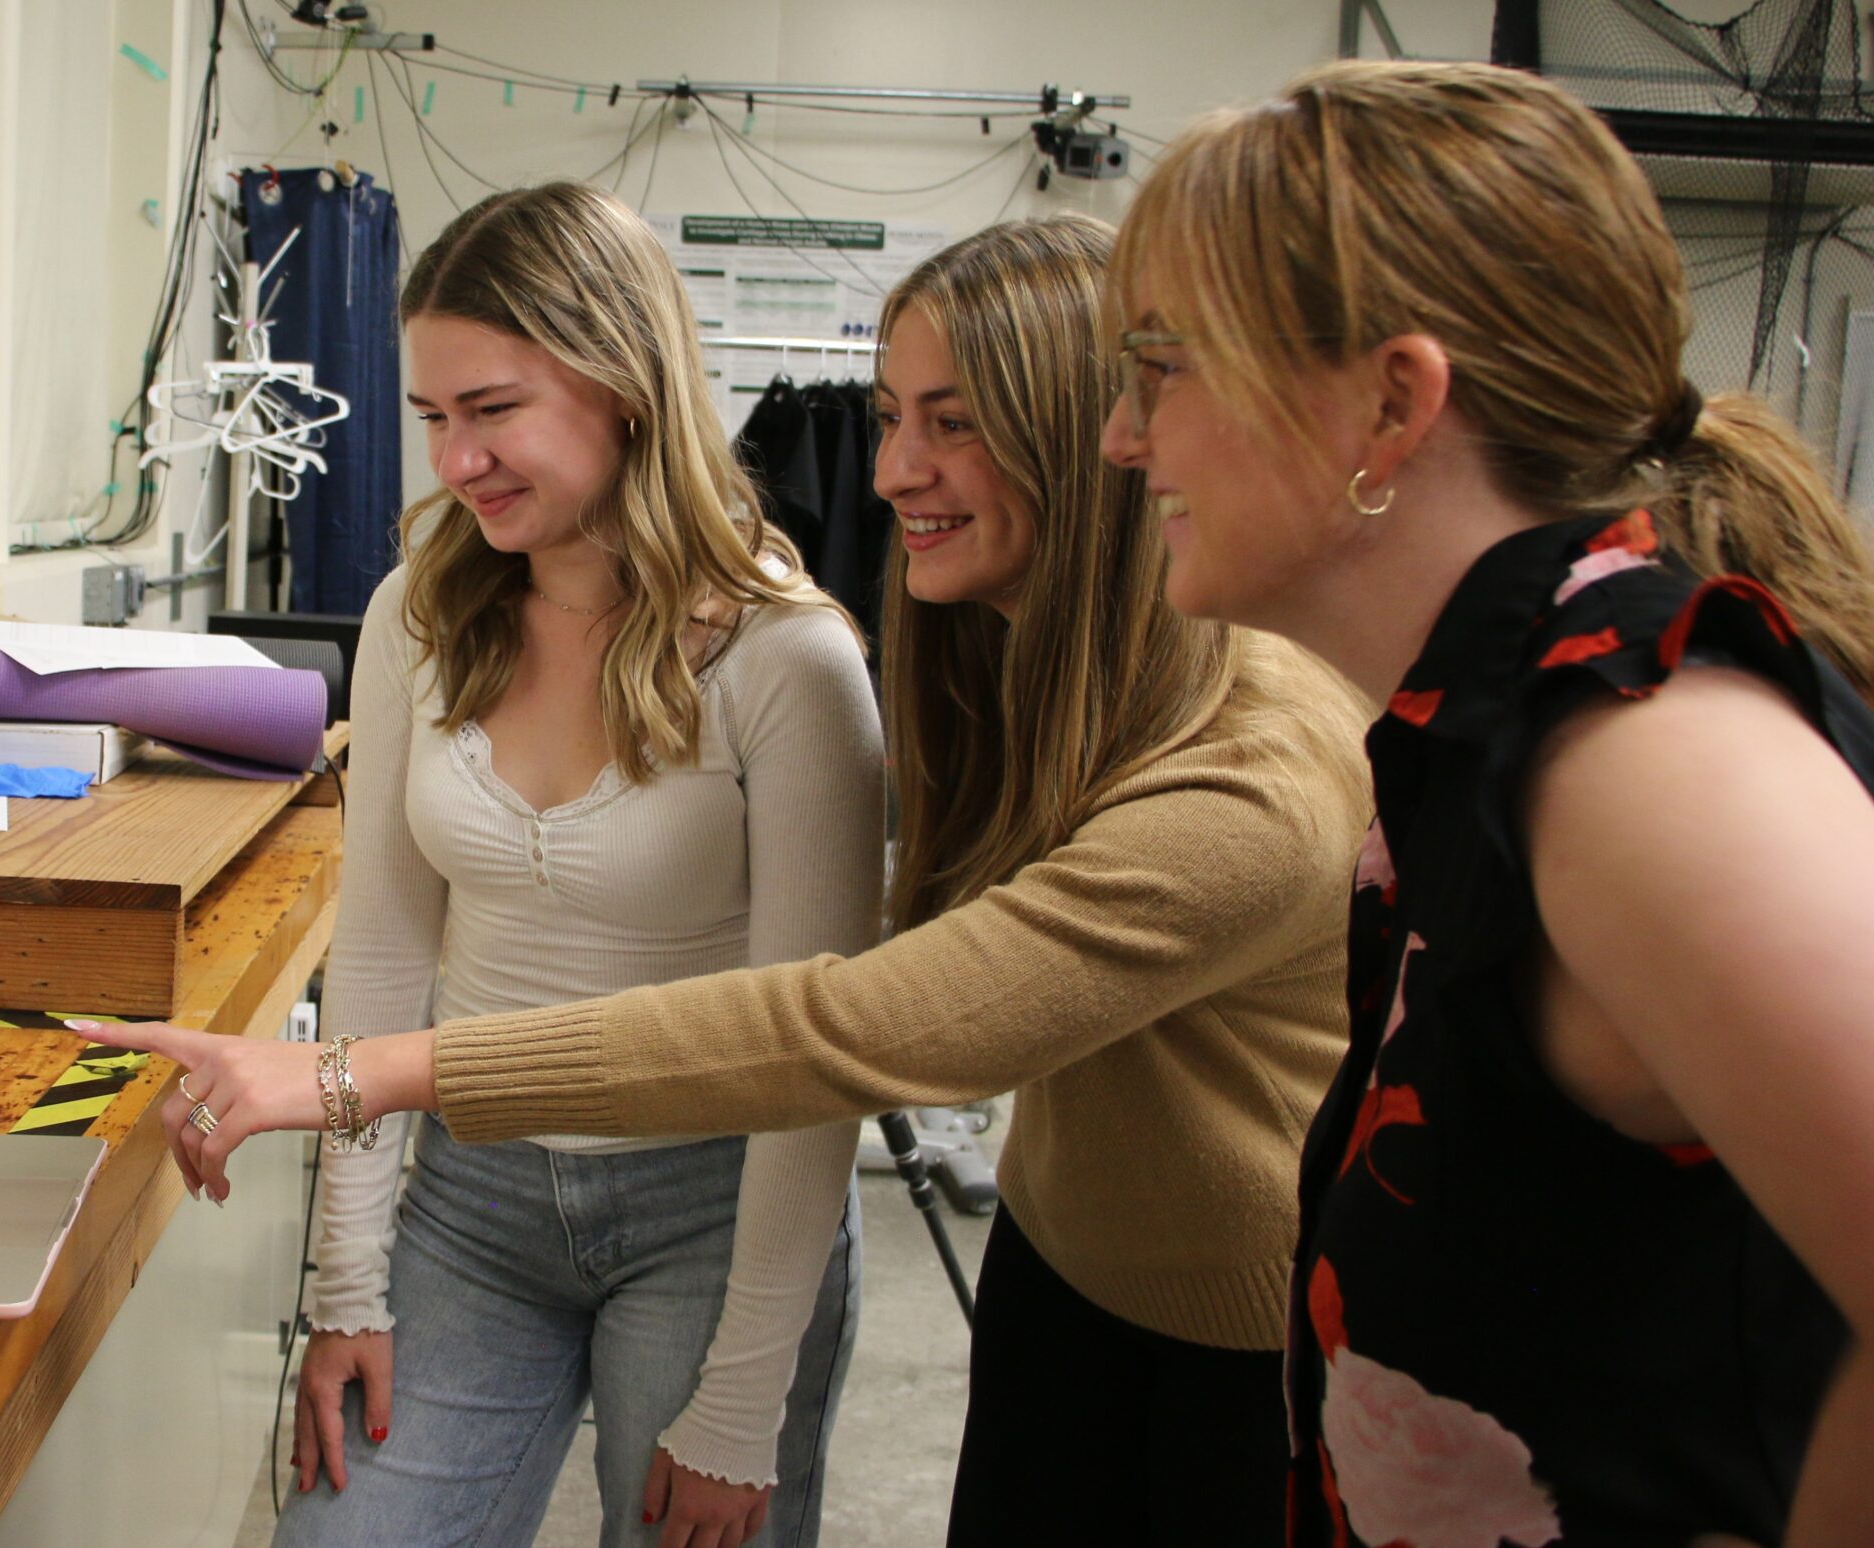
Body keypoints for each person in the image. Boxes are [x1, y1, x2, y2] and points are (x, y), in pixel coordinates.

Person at [81, 214, 1376, 1544]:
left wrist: (361, 1075)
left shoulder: (1202, 763)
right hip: (1033, 1262)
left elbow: (843, 1030)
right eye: (888, 418)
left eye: (951, 424)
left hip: (1200, 1311)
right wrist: (347, 1275)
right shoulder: (995, 659)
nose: (887, 474)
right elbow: (390, 933)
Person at [1097, 60, 1874, 1547]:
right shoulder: (1487, 731)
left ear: (1391, 401)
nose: (1126, 435)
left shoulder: (1637, 755)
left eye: (1167, 364)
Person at [246, 179, 882, 1548]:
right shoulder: (421, 610)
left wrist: (745, 1402)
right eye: (433, 420)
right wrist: (346, 1280)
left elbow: (815, 1056)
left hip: (713, 1207)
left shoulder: (789, 660)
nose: (456, 462)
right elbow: (381, 950)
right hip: (471, 1204)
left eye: (492, 411)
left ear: (626, 389)